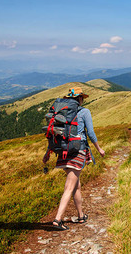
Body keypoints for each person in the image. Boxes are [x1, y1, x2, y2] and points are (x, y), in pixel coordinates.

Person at [42, 87, 105, 230]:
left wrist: (48, 152)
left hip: (63, 151)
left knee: (76, 185)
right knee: (70, 186)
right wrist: (99, 149)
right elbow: (91, 133)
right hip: (77, 151)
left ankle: (81, 216)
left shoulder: (62, 113)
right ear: (80, 99)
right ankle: (58, 220)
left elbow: (54, 133)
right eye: (82, 97)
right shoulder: (84, 112)